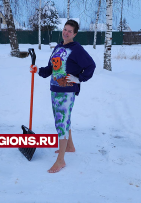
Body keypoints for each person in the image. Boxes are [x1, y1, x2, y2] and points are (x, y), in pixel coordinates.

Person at [30, 19, 96, 173]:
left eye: (69, 31)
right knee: (64, 120)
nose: (66, 33)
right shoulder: (58, 47)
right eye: (65, 29)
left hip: (66, 92)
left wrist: (78, 79)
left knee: (61, 123)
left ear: (75, 34)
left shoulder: (76, 49)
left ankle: (60, 161)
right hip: (55, 89)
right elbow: (50, 69)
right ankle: (70, 146)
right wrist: (37, 70)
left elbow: (90, 66)